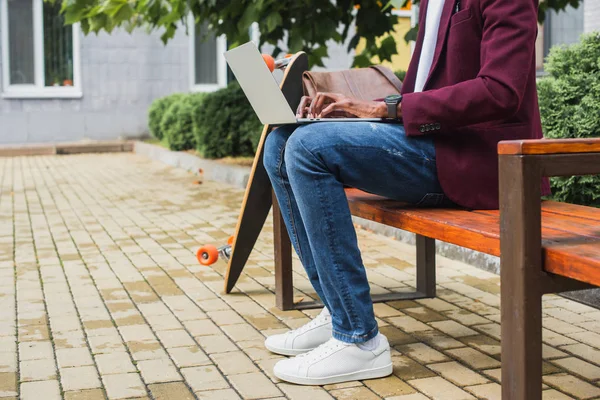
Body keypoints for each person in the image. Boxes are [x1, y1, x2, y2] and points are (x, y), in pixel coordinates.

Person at [262, 0, 549, 386]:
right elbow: (424, 87)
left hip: (478, 161)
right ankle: (337, 308)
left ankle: (358, 339)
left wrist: (387, 108)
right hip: (430, 142)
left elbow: (500, 90)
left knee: (308, 148)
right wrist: (360, 117)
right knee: (280, 142)